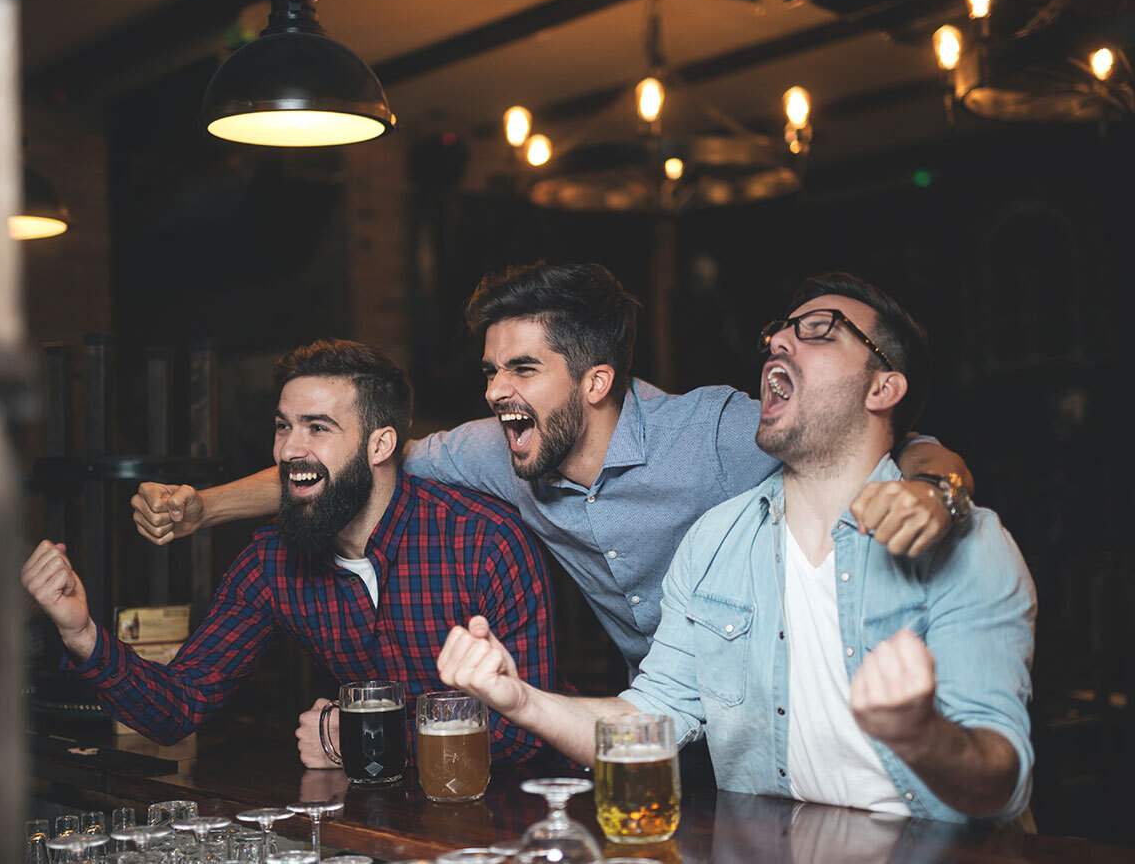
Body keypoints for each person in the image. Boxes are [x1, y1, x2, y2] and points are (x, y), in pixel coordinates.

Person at [130, 263, 972, 674]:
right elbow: (343, 462)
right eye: (491, 369)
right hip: (666, 720)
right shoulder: (496, 450)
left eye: (522, 370)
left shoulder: (712, 429)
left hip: (797, 701)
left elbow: (884, 440)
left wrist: (936, 488)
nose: (495, 390)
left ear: (596, 380)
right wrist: (205, 508)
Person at [437, 273, 1036, 823]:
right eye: (777, 331)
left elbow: (1000, 784)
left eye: (820, 332)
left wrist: (920, 734)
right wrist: (518, 699)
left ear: (883, 387)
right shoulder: (712, 546)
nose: (778, 340)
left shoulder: (970, 544)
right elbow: (650, 717)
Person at [22, 339, 561, 766]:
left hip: (516, 821)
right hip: (380, 825)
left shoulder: (484, 543)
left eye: (317, 428)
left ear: (380, 444)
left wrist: (362, 734)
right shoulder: (273, 563)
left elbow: (526, 734)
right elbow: (177, 707)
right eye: (283, 426)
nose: (288, 449)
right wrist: (80, 633)